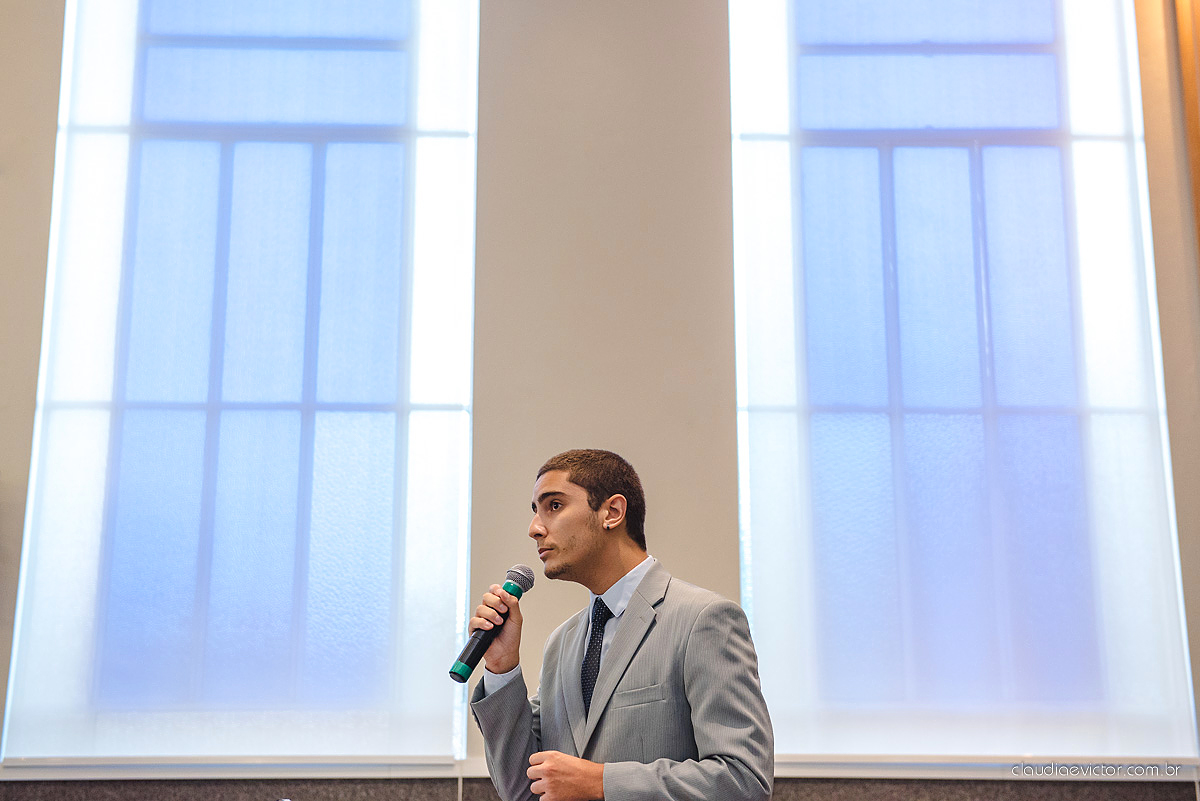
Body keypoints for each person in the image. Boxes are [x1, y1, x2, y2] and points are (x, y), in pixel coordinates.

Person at [469, 449, 773, 801]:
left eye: (553, 506)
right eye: (535, 511)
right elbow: (523, 789)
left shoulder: (704, 619)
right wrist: (501, 668)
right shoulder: (562, 643)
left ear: (612, 512)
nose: (535, 528)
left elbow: (744, 781)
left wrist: (601, 782)